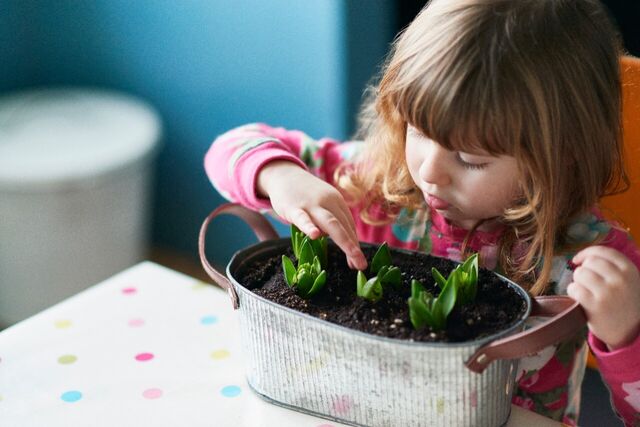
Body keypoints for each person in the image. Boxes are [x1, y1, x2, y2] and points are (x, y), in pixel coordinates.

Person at [205, 0, 640, 424]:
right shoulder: (377, 183)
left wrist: (626, 333)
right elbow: (230, 146)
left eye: (471, 159)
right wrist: (280, 176)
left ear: (561, 154)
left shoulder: (590, 253)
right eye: (417, 130)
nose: (430, 172)